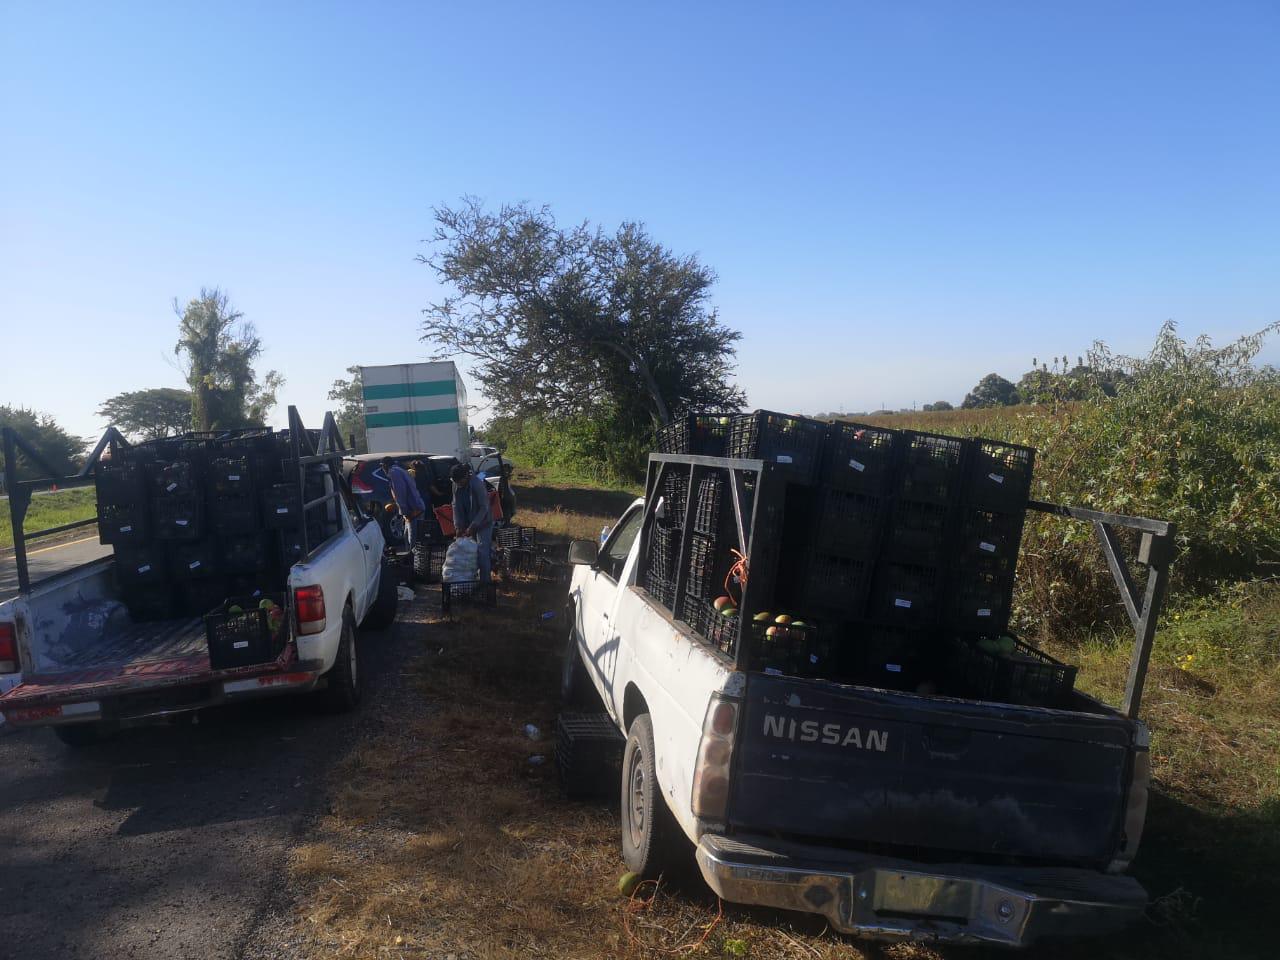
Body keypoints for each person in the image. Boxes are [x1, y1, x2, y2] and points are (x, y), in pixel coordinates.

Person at [450, 462, 493, 583]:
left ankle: (486, 584)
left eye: (460, 481)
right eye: (456, 482)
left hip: (483, 522)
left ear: (466, 477)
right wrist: (458, 525)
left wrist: (474, 525)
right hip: (468, 523)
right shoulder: (455, 485)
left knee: (482, 552)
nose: (458, 484)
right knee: (471, 553)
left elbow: (484, 507)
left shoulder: (477, 484)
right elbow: (455, 505)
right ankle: (471, 582)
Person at [383, 456, 426, 547]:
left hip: (414, 509)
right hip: (414, 508)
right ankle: (412, 558)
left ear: (384, 465)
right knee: (407, 538)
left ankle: (415, 560)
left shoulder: (394, 473)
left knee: (413, 542)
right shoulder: (398, 470)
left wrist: (404, 512)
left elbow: (400, 493)